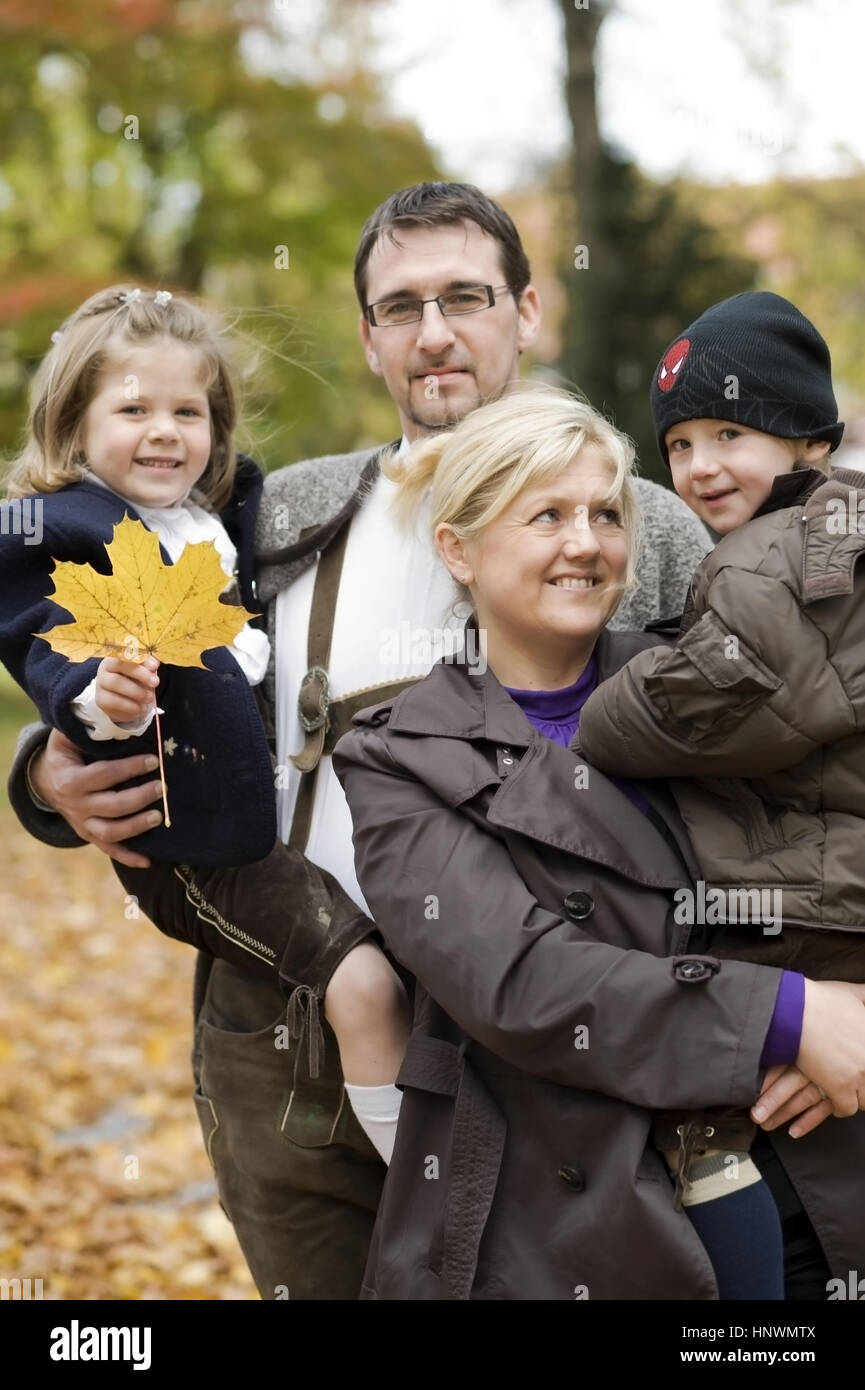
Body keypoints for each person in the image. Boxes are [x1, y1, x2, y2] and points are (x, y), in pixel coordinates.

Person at [6, 183, 714, 1300]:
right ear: (369, 337)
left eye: (466, 299)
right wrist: (45, 776)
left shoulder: (640, 524)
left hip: (537, 1042)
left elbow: (760, 748)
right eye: (400, 307)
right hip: (279, 1032)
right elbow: (120, 629)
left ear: (526, 312)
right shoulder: (281, 512)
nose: (434, 334)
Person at [332, 385, 865, 1300]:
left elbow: (836, 842)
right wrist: (788, 1015)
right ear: (456, 549)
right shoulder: (398, 754)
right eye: (546, 516)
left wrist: (851, 1007)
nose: (586, 543)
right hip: (561, 1220)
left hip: (801, 1179)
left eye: (604, 514)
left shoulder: (700, 680)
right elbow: (524, 983)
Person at [0, 283, 411, 1165]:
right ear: (74, 427)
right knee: (365, 984)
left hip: (256, 819)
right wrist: (96, 701)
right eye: (133, 408)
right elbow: (51, 649)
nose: (164, 430)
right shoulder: (74, 532)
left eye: (188, 410)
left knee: (382, 987)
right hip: (191, 844)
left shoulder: (212, 522)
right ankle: (423, 1178)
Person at [576, 291, 865, 1294]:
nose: (700, 467)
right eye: (682, 442)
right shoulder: (830, 534)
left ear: (807, 438)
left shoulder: (776, 559)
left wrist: (594, 709)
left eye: (730, 434)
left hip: (808, 914)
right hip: (822, 896)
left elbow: (707, 697)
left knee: (721, 1133)